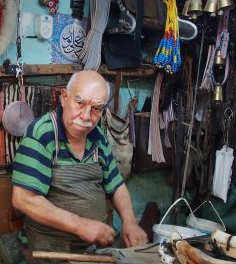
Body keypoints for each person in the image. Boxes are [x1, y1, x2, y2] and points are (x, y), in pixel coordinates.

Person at [11, 70, 148, 253]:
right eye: (80, 103)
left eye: (96, 109)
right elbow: (23, 199)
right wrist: (80, 226)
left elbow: (116, 186)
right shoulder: (42, 134)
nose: (86, 116)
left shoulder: (98, 137)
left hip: (94, 249)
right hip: (50, 249)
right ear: (64, 98)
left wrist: (130, 222)